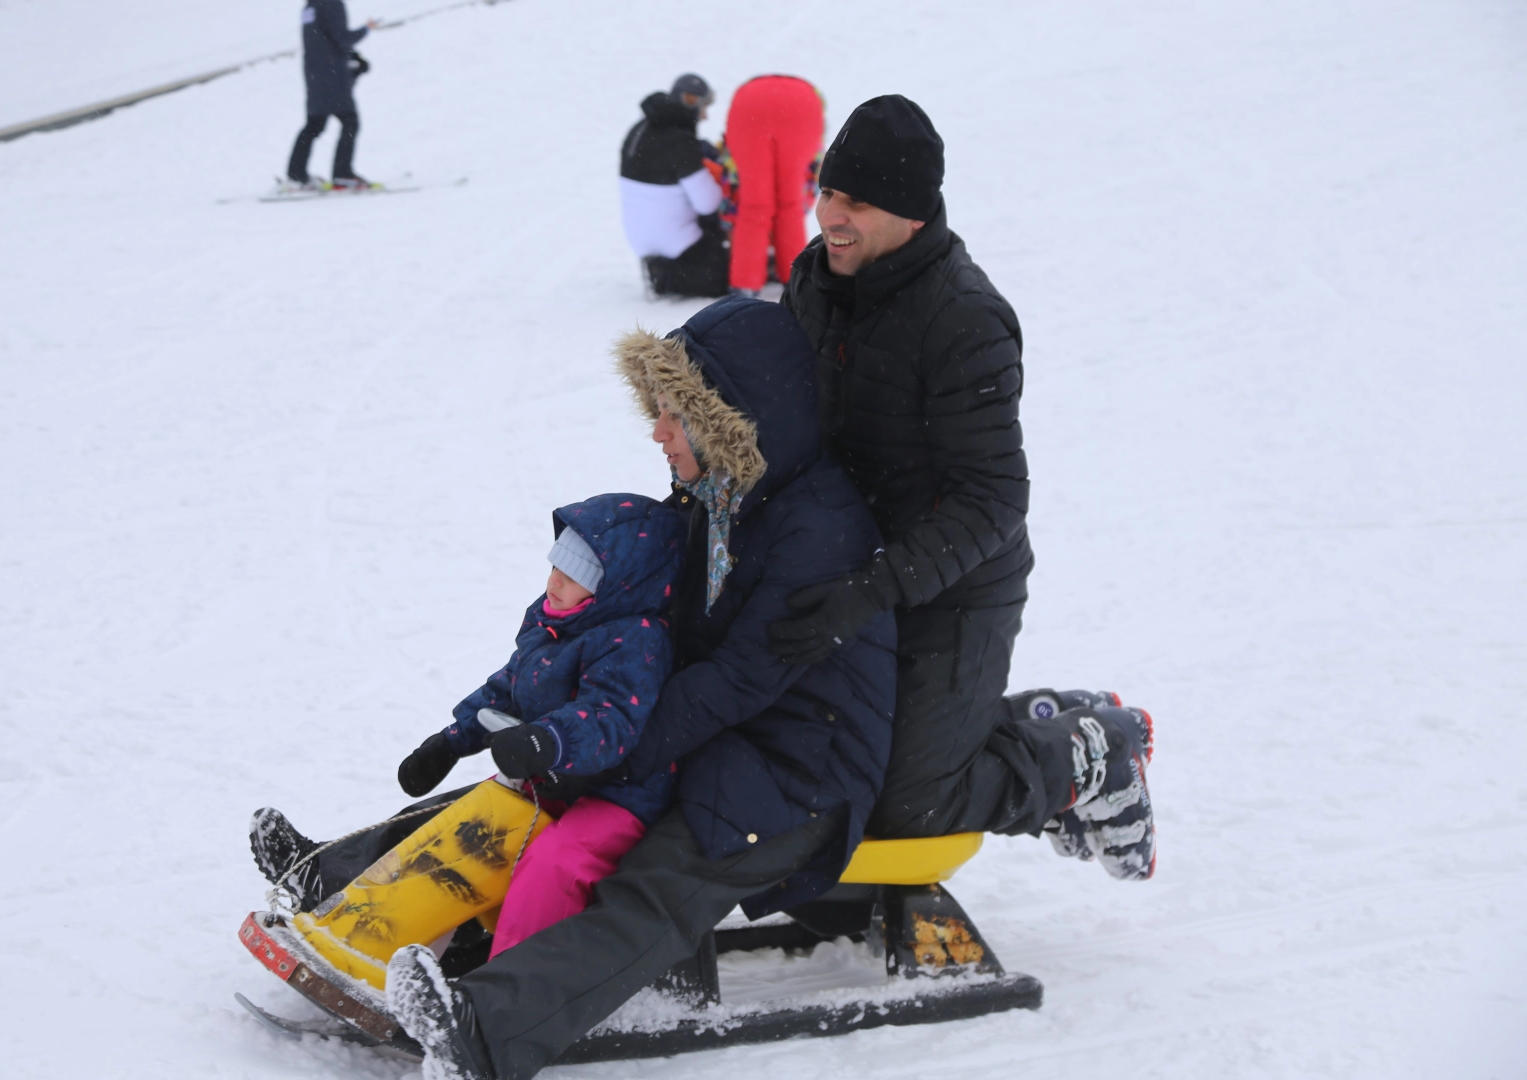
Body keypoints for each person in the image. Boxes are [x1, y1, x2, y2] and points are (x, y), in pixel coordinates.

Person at [383, 296, 898, 1080]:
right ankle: (343, 902)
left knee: (657, 880)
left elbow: (740, 679)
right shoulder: (714, 497)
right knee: (511, 794)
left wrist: (614, 756)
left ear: (730, 419)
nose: (656, 432)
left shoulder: (816, 531)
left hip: (804, 763)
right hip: (705, 730)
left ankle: (484, 1030)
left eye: (672, 416)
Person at [771, 95, 1157, 881]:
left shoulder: (964, 320)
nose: (831, 217)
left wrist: (869, 590)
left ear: (910, 214)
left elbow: (991, 501)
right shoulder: (817, 279)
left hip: (956, 589)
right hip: (855, 569)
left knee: (908, 810)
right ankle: (1024, 718)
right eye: (828, 192)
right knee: (830, 764)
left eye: (858, 202)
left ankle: (1091, 752)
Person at [250, 493, 684, 959]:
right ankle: (327, 881)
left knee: (549, 863)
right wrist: (450, 743)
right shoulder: (557, 619)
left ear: (616, 586)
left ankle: (501, 988)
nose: (555, 581)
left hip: (611, 790)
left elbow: (610, 718)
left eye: (575, 574)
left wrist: (547, 738)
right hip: (551, 776)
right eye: (556, 565)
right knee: (445, 821)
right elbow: (509, 686)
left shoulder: (634, 640)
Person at [619, 74, 729, 298]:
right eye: (699, 104)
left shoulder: (639, 128)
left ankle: (661, 270)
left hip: (638, 238)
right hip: (679, 242)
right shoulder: (680, 140)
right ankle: (671, 275)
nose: (704, 115)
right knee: (724, 274)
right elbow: (708, 203)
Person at [722, 75, 824, 296]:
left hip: (749, 104)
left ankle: (744, 285)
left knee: (754, 205)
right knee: (791, 204)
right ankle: (795, 279)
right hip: (803, 104)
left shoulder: (748, 90)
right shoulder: (808, 93)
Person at [285, 0, 377, 190]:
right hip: (332, 74)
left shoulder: (310, 5)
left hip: (314, 73)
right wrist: (366, 29)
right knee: (350, 121)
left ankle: (296, 175)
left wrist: (352, 56)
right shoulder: (331, 3)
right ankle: (342, 174)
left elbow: (323, 37)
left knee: (315, 124)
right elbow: (342, 38)